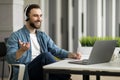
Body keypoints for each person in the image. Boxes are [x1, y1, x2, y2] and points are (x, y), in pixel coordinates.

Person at [6, 4, 81, 80]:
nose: (39, 19)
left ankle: (66, 78)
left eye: (40, 16)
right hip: (27, 71)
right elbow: (9, 58)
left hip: (43, 70)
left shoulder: (42, 36)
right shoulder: (16, 36)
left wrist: (71, 54)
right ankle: (67, 78)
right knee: (45, 56)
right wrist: (22, 50)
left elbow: (56, 50)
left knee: (54, 76)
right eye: (35, 16)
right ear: (27, 17)